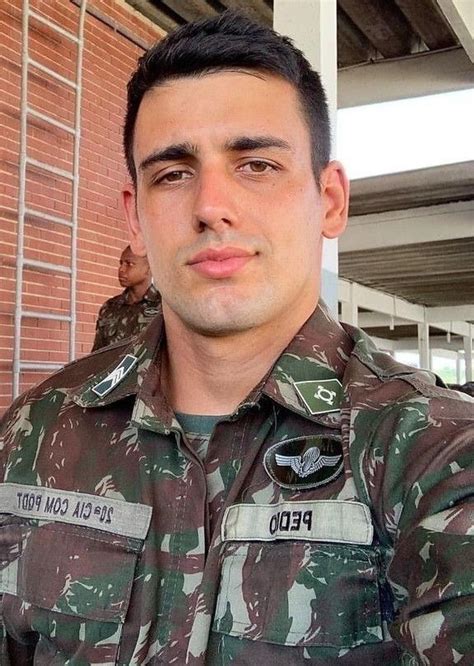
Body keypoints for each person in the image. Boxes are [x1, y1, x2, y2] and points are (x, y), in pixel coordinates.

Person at [0, 11, 472, 665]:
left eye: (255, 164)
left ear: (330, 200)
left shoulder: (431, 456)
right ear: (135, 218)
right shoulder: (34, 432)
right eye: (172, 173)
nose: (211, 204)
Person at [91, 245, 161, 351]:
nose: (121, 269)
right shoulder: (110, 307)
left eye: (129, 264)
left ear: (148, 268)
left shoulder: (165, 307)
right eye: (121, 263)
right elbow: (97, 354)